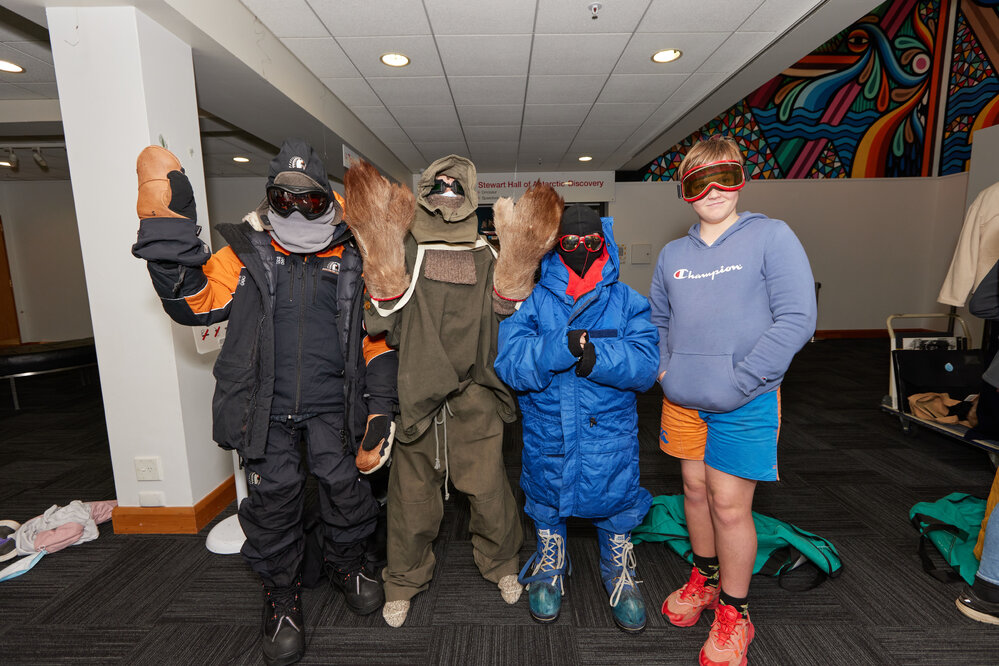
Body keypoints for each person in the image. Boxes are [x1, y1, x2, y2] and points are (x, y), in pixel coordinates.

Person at [131, 139, 397, 666]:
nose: (299, 209)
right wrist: (170, 231)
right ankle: (281, 593)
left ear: (329, 200)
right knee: (274, 501)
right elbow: (193, 303)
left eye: (312, 201)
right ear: (270, 199)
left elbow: (377, 337)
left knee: (345, 489)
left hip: (332, 403)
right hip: (263, 406)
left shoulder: (353, 255)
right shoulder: (244, 253)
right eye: (286, 199)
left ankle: (347, 563)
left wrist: (380, 407)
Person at [343, 157, 562, 628]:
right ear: (424, 190)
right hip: (418, 392)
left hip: (475, 394)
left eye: (455, 184)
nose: (446, 191)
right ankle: (403, 578)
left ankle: (502, 564)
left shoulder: (488, 253)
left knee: (488, 491)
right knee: (411, 498)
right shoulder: (402, 250)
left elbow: (508, 319)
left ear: (470, 192)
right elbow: (382, 320)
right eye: (438, 184)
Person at [649, 135, 816, 665]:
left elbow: (797, 318)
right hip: (682, 402)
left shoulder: (771, 236)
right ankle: (703, 577)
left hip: (747, 401)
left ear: (742, 179)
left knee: (728, 503)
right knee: (695, 494)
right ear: (684, 191)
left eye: (727, 176)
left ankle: (734, 611)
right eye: (700, 180)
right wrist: (664, 370)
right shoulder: (673, 253)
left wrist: (742, 381)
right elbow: (658, 321)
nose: (715, 189)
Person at [493, 204, 659, 632]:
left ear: (604, 244)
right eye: (569, 243)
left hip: (611, 433)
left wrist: (595, 356)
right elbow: (510, 362)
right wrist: (558, 348)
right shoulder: (530, 299)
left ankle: (618, 570)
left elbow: (645, 365)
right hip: (551, 430)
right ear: (554, 246)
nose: (581, 249)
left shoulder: (627, 301)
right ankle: (551, 563)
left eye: (591, 243)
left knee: (617, 497)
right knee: (548, 498)